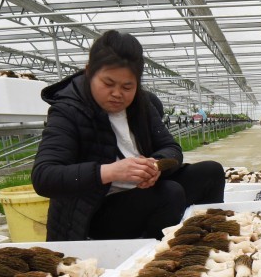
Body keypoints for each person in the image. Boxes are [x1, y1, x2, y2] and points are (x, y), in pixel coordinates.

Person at [32, 30, 224, 241]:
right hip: (93, 212)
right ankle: (158, 262)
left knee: (211, 172)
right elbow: (44, 177)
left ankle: (211, 242)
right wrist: (111, 172)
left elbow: (172, 148)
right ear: (89, 72)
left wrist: (156, 166)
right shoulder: (68, 110)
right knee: (170, 193)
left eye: (127, 86)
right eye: (108, 83)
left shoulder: (142, 104)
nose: (117, 93)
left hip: (143, 193)